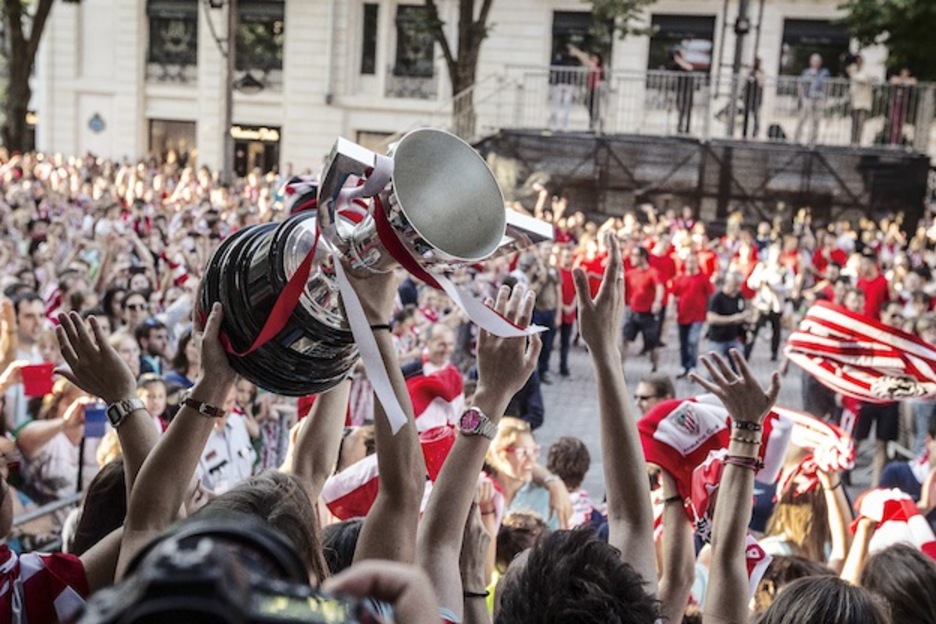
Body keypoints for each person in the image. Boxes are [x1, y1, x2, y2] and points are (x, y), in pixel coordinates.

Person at [622, 246, 664, 372]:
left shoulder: (652, 272)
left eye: (635, 255)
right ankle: (619, 367)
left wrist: (657, 302)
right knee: (624, 339)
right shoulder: (630, 273)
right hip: (632, 312)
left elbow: (659, 287)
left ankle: (655, 367)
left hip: (648, 314)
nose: (632, 258)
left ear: (643, 257)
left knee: (653, 344)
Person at [672, 252, 714, 377]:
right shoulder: (679, 278)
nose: (691, 264)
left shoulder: (703, 278)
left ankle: (692, 366)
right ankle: (683, 365)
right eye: (689, 262)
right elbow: (674, 295)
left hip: (698, 315)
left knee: (693, 340)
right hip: (682, 315)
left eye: (693, 262)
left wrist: (709, 311)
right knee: (683, 342)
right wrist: (672, 310)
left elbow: (710, 295)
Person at [706, 272, 749, 363]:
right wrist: (732, 319)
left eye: (739, 286)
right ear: (728, 283)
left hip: (733, 338)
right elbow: (711, 318)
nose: (737, 289)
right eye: (735, 285)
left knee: (739, 365)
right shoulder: (717, 297)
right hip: (717, 339)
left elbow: (743, 309)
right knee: (716, 367)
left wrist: (745, 317)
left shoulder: (739, 296)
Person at [794, 54, 830, 145]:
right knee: (802, 119)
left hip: (818, 98)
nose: (816, 63)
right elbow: (800, 85)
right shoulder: (806, 72)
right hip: (807, 98)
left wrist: (825, 98)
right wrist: (801, 97)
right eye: (814, 61)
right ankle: (797, 139)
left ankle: (812, 140)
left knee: (816, 121)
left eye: (818, 61)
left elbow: (827, 86)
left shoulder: (824, 73)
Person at [667, 48, 696, 134]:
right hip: (681, 89)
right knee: (680, 108)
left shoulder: (684, 62)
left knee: (688, 109)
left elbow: (690, 68)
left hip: (689, 89)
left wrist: (679, 60)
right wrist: (677, 60)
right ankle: (680, 127)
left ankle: (687, 128)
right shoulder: (676, 65)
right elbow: (670, 68)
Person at [887, 66, 917, 145]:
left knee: (900, 124)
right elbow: (893, 80)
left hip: (903, 105)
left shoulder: (909, 80)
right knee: (893, 122)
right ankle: (892, 141)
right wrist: (902, 81)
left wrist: (904, 82)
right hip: (896, 103)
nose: (904, 75)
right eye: (903, 73)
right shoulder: (896, 79)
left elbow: (914, 81)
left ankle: (898, 142)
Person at [847, 54, 872, 146]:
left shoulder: (865, 72)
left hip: (863, 103)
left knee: (860, 123)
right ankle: (852, 142)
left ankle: (858, 142)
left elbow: (862, 80)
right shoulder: (855, 71)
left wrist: (852, 73)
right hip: (854, 102)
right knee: (854, 123)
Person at [743, 57, 765, 138]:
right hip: (748, 96)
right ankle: (744, 132)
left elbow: (761, 83)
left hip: (756, 96)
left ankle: (755, 132)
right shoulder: (750, 72)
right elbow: (745, 80)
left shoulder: (760, 72)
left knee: (755, 115)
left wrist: (757, 74)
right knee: (746, 114)